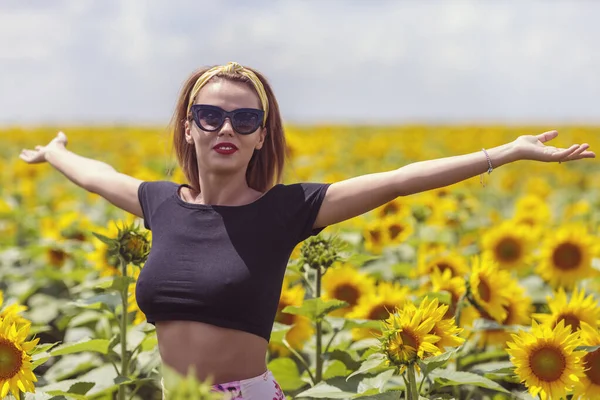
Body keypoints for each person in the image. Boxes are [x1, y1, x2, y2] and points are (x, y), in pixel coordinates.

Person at [19, 61, 595, 399]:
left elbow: (399, 180)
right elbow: (97, 177)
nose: (227, 127)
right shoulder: (159, 202)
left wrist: (508, 152)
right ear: (188, 128)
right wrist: (55, 152)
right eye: (210, 115)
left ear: (262, 136)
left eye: (246, 119)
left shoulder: (287, 210)